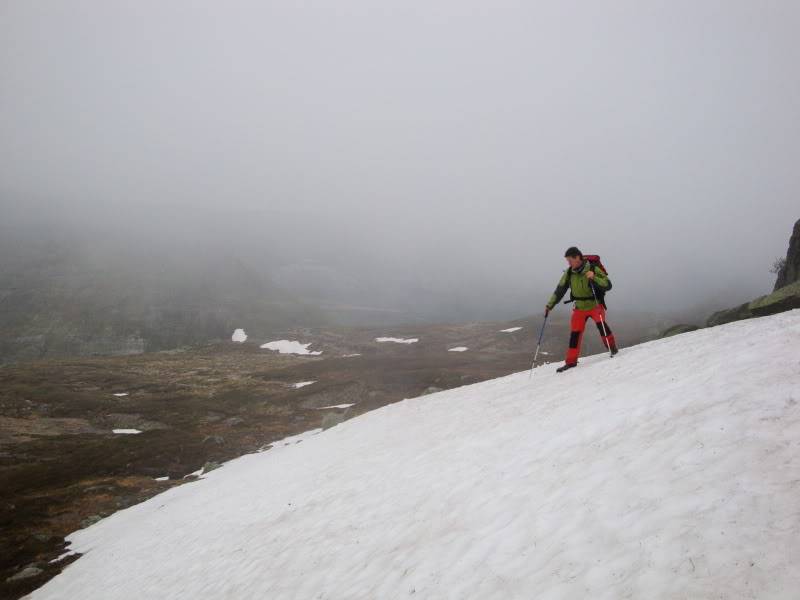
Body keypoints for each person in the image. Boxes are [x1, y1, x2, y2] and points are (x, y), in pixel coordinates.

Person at [545, 246, 618, 372]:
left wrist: (593, 277)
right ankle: (571, 362)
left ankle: (612, 348)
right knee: (575, 334)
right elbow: (560, 290)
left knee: (602, 326)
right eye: (567, 261)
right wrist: (549, 305)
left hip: (595, 304)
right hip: (579, 307)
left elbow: (608, 285)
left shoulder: (593, 268)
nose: (568, 263)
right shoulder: (569, 273)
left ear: (577, 258)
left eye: (570, 260)